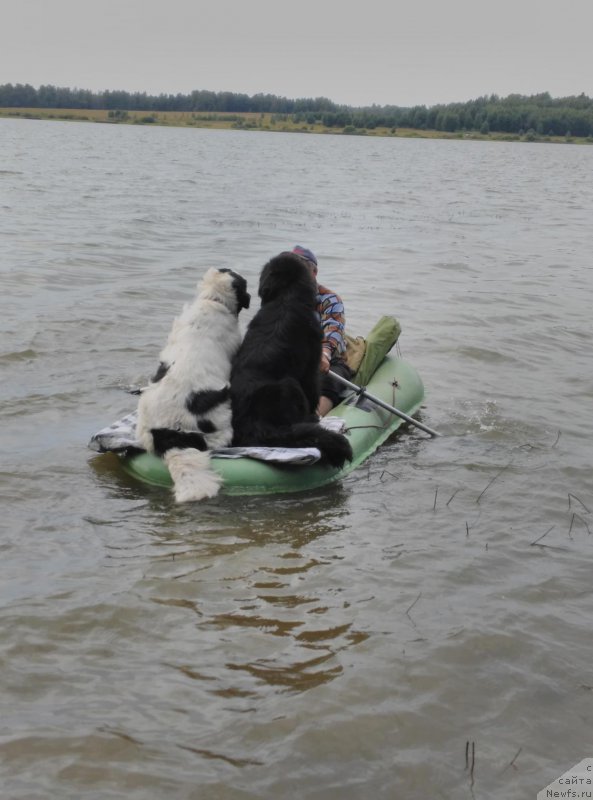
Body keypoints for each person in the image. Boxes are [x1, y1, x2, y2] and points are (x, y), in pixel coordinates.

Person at [292, 245, 352, 416]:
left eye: (301, 271)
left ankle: (314, 417)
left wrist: (324, 354)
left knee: (328, 380)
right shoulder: (283, 299)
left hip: (330, 361)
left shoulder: (330, 299)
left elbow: (333, 329)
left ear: (314, 272)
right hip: (295, 360)